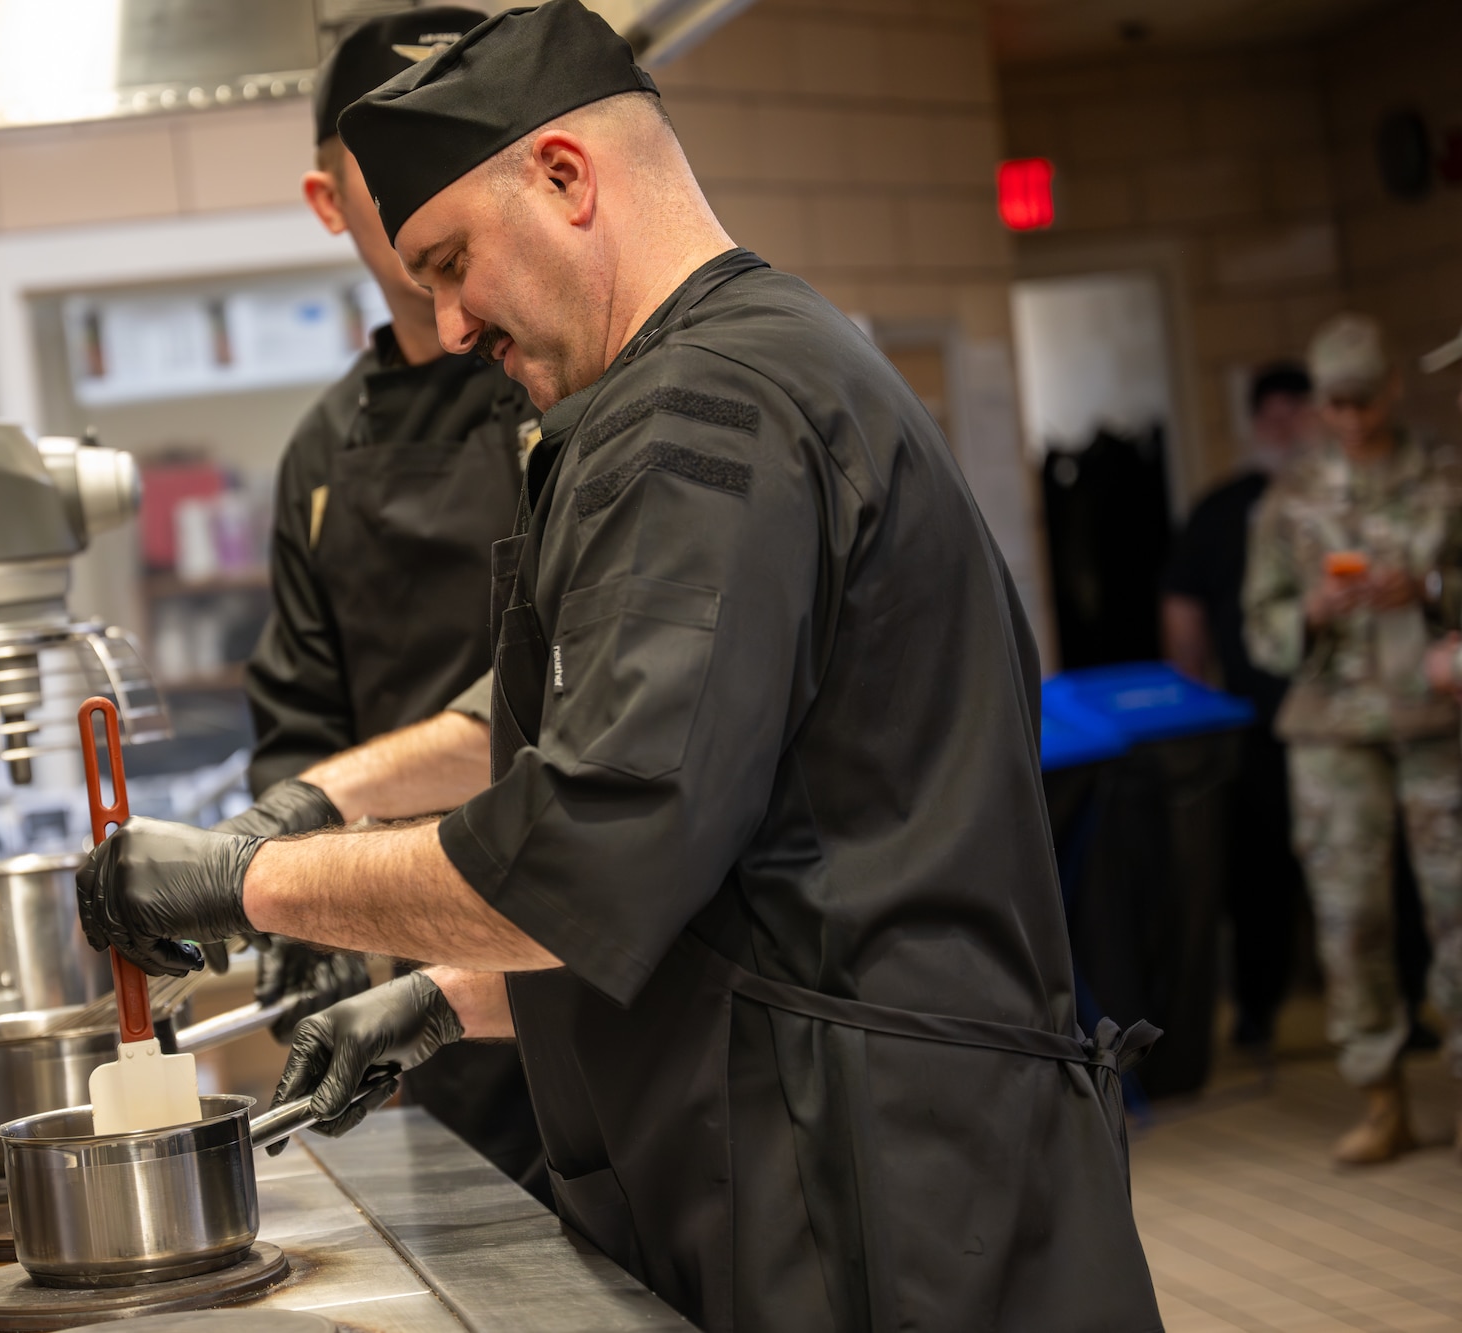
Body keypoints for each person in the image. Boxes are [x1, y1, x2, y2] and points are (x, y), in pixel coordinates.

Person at [76, 4, 1162, 1329]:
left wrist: (250, 878)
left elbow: (586, 856)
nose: (453, 322)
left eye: (453, 260)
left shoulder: (701, 418)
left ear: (568, 178)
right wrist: (445, 1001)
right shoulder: (753, 372)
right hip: (861, 1162)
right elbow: (737, 869)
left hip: (881, 1208)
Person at [211, 8, 548, 1197]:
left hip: (593, 938)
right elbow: (299, 713)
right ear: (326, 201)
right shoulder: (322, 454)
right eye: (386, 165)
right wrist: (312, 928)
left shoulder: (576, 394)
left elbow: (565, 688)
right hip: (416, 992)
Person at [1243, 313, 1462, 1165]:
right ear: (1319, 408)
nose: (1356, 418)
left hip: (1435, 721)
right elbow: (1258, 621)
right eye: (1338, 404)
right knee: (1351, 917)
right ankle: (1382, 1098)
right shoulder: (1289, 500)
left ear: (1393, 390)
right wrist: (1312, 612)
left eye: (1367, 400)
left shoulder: (1443, 479)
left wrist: (1435, 585)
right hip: (1333, 729)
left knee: (1457, 908)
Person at [1162, 362, 1315, 1050]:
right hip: (1252, 719)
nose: (1287, 425)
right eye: (1273, 413)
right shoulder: (1223, 510)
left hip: (1342, 715)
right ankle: (1258, 1006)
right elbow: (1183, 607)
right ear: (1256, 421)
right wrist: (1195, 701)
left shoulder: (1335, 500)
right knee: (1259, 876)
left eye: (1299, 411)